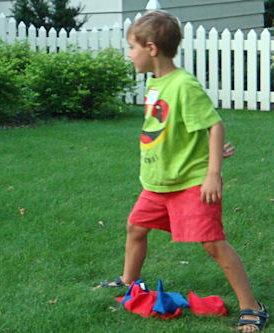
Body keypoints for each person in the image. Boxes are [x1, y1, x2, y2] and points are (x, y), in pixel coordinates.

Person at [102, 10, 269, 332]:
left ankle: (252, 306)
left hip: (189, 184)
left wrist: (212, 173)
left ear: (151, 48)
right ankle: (127, 281)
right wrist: (203, 150)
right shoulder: (156, 83)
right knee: (135, 227)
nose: (129, 53)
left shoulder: (183, 85)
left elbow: (214, 125)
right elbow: (174, 129)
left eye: (132, 47)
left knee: (213, 244)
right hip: (157, 184)